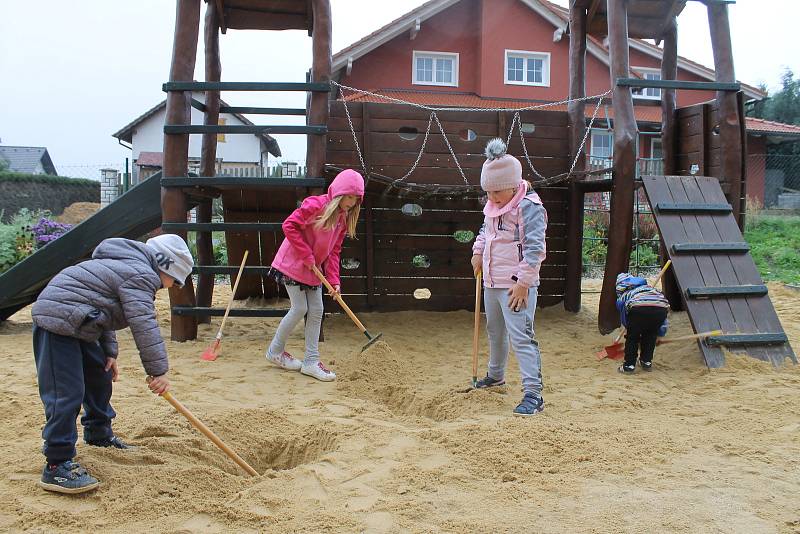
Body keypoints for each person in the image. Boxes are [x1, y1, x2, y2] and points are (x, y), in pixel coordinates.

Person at [30, 234, 193, 494]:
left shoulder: (127, 267)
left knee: (99, 377)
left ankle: (98, 434)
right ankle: (56, 466)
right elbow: (143, 323)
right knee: (66, 394)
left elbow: (101, 307)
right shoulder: (140, 275)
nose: (172, 286)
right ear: (166, 267)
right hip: (56, 323)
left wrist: (109, 352)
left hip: (79, 322)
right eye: (175, 281)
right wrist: (157, 371)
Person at [470, 138, 548, 416]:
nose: (492, 198)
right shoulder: (493, 205)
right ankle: (496, 375)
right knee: (495, 332)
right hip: (492, 281)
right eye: (488, 193)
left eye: (497, 192)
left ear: (514, 184)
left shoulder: (529, 206)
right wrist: (478, 251)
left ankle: (533, 394)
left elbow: (535, 249)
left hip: (517, 286)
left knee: (522, 337)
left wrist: (524, 284)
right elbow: (486, 232)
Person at [265, 169, 364, 382]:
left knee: (317, 310)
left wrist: (334, 281)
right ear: (339, 192)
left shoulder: (343, 219)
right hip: (294, 263)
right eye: (349, 197)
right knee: (300, 308)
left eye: (356, 199)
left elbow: (334, 252)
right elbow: (289, 225)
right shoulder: (316, 205)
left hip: (314, 269)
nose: (352, 202)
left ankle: (311, 361)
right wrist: (307, 255)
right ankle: (275, 351)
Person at [615, 273, 670, 374]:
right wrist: (660, 333)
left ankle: (629, 366)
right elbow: (664, 319)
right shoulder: (650, 289)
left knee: (633, 337)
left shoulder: (624, 295)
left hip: (638, 308)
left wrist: (629, 327)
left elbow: (623, 314)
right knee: (651, 335)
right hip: (661, 308)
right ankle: (646, 362)